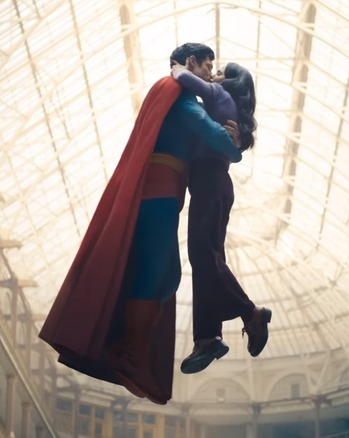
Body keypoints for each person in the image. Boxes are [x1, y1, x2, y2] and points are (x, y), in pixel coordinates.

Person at [39, 43, 242, 405]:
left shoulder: (171, 95)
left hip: (161, 193)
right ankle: (130, 351)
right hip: (160, 195)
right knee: (157, 272)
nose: (212, 74)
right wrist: (233, 143)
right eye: (208, 66)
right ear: (190, 62)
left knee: (167, 275)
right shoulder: (179, 95)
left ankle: (131, 347)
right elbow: (217, 141)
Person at [170, 61, 272, 374]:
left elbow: (186, 80)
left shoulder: (217, 94)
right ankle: (206, 338)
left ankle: (249, 312)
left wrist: (177, 68)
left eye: (220, 71)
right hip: (212, 183)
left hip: (210, 182)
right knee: (207, 260)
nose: (213, 74)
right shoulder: (221, 104)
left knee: (202, 254)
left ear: (231, 82)